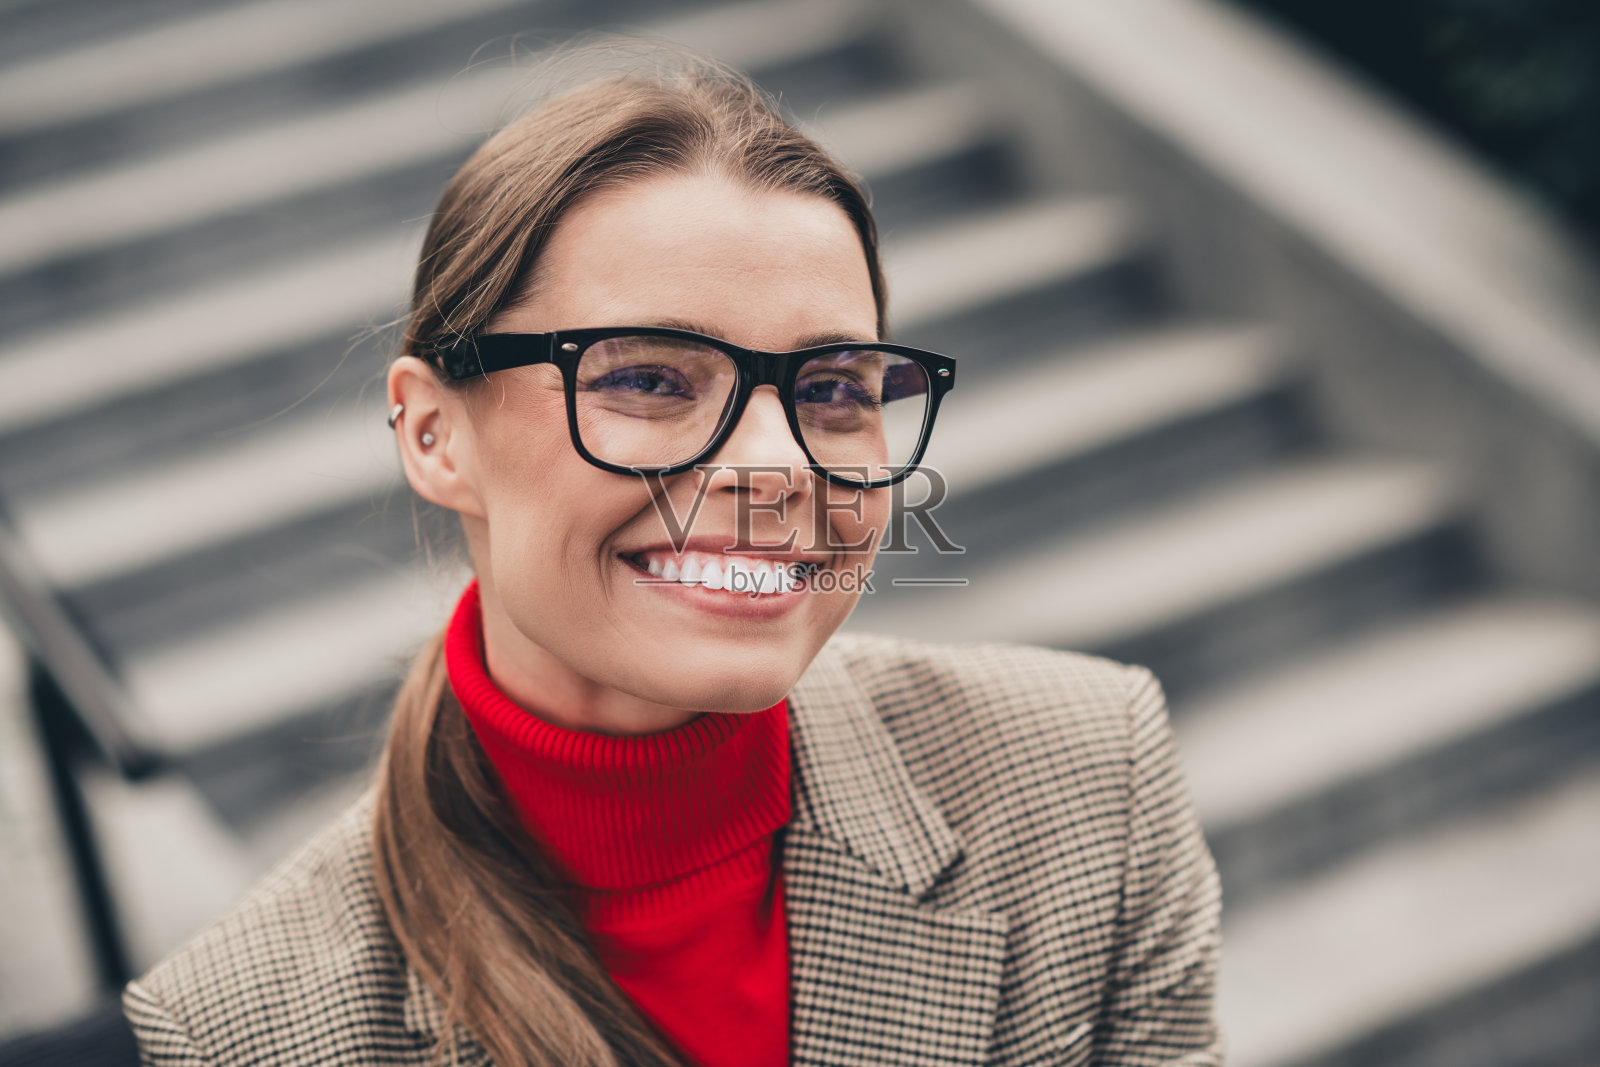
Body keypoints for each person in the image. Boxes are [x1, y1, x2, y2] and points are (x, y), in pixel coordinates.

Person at [120, 48, 1223, 1067]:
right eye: (647, 377)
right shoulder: (237, 1029)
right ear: (432, 432)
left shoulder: (1086, 780)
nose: (776, 463)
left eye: (833, 389)